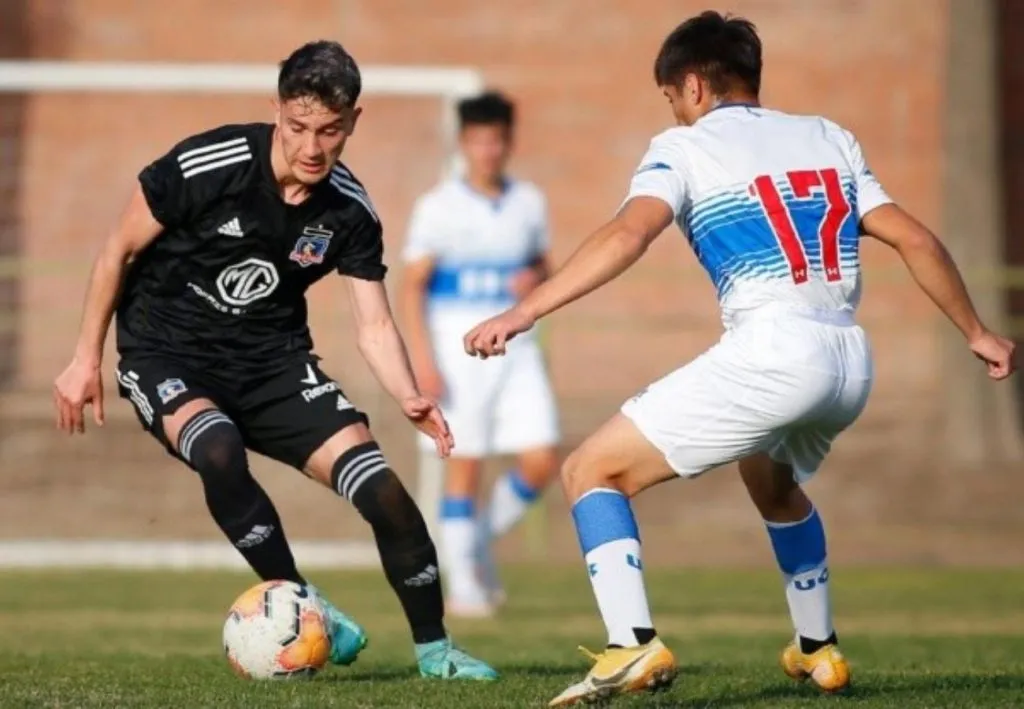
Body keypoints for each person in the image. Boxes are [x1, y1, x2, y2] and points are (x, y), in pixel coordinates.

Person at [464, 11, 1016, 705]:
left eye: (670, 96)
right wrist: (977, 330)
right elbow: (917, 239)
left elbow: (629, 234)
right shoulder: (827, 136)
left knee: (591, 470)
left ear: (692, 85)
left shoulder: (682, 147)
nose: (673, 110)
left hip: (775, 350)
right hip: (849, 358)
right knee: (771, 478)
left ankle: (631, 642)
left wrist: (525, 310)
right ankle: (818, 649)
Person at [52, 39, 497, 682]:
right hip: (164, 351)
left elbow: (372, 321)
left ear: (353, 123)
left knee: (387, 493)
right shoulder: (210, 164)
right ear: (277, 110)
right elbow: (117, 249)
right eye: (298, 127)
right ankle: (304, 605)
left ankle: (437, 651)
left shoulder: (348, 210)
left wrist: (407, 394)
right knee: (219, 449)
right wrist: (82, 358)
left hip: (273, 365)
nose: (312, 147)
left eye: (330, 131)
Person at [400, 91, 560, 617]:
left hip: (517, 349)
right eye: (477, 141)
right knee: (464, 464)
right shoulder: (437, 207)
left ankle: (477, 546)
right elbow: (411, 287)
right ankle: (464, 585)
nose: (487, 151)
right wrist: (422, 362)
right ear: (463, 143)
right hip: (456, 351)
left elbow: (547, 269)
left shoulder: (528, 203)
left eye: (496, 140)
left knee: (541, 460)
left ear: (508, 143)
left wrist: (535, 277)